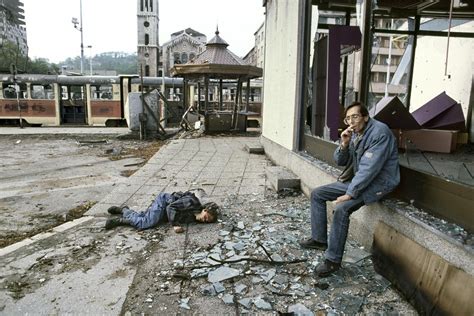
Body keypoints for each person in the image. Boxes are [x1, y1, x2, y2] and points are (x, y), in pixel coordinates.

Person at [299, 101, 400, 277]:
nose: (351, 121)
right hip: (359, 180)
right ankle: (319, 239)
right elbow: (340, 161)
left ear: (366, 117)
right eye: (347, 119)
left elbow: (370, 169)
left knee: (342, 209)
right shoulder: (355, 133)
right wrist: (344, 144)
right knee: (317, 194)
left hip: (379, 183)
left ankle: (333, 261)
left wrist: (350, 193)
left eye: (355, 116)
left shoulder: (379, 132)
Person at [105, 191, 219, 233]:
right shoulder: (191, 203)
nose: (206, 220)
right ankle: (120, 220)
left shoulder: (195, 217)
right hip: (165, 201)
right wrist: (175, 225)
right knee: (147, 223)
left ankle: (124, 210)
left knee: (144, 217)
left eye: (208, 221)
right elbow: (171, 208)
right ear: (204, 210)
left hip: (166, 209)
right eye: (207, 217)